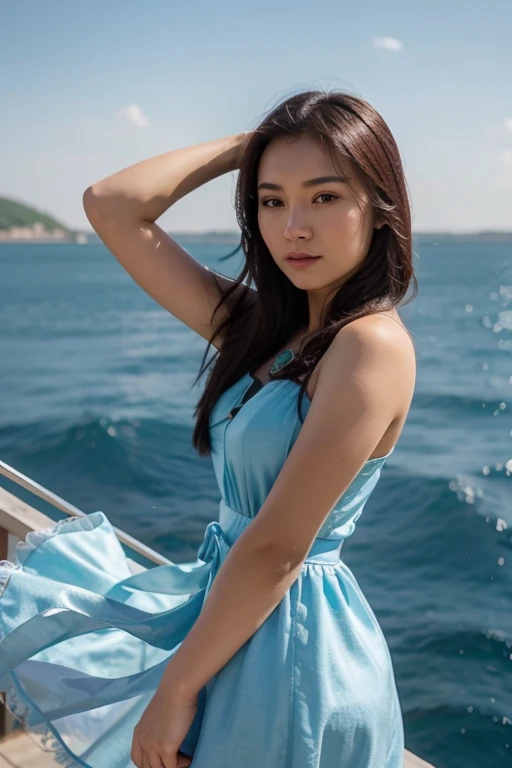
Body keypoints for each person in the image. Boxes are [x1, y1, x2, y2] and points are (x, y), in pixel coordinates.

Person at [0, 89, 417, 768]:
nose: (294, 227)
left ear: (379, 206)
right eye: (271, 200)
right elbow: (112, 206)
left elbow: (280, 546)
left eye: (324, 196)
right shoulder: (273, 332)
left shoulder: (372, 346)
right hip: (227, 611)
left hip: (293, 644)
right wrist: (248, 146)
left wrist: (178, 687)